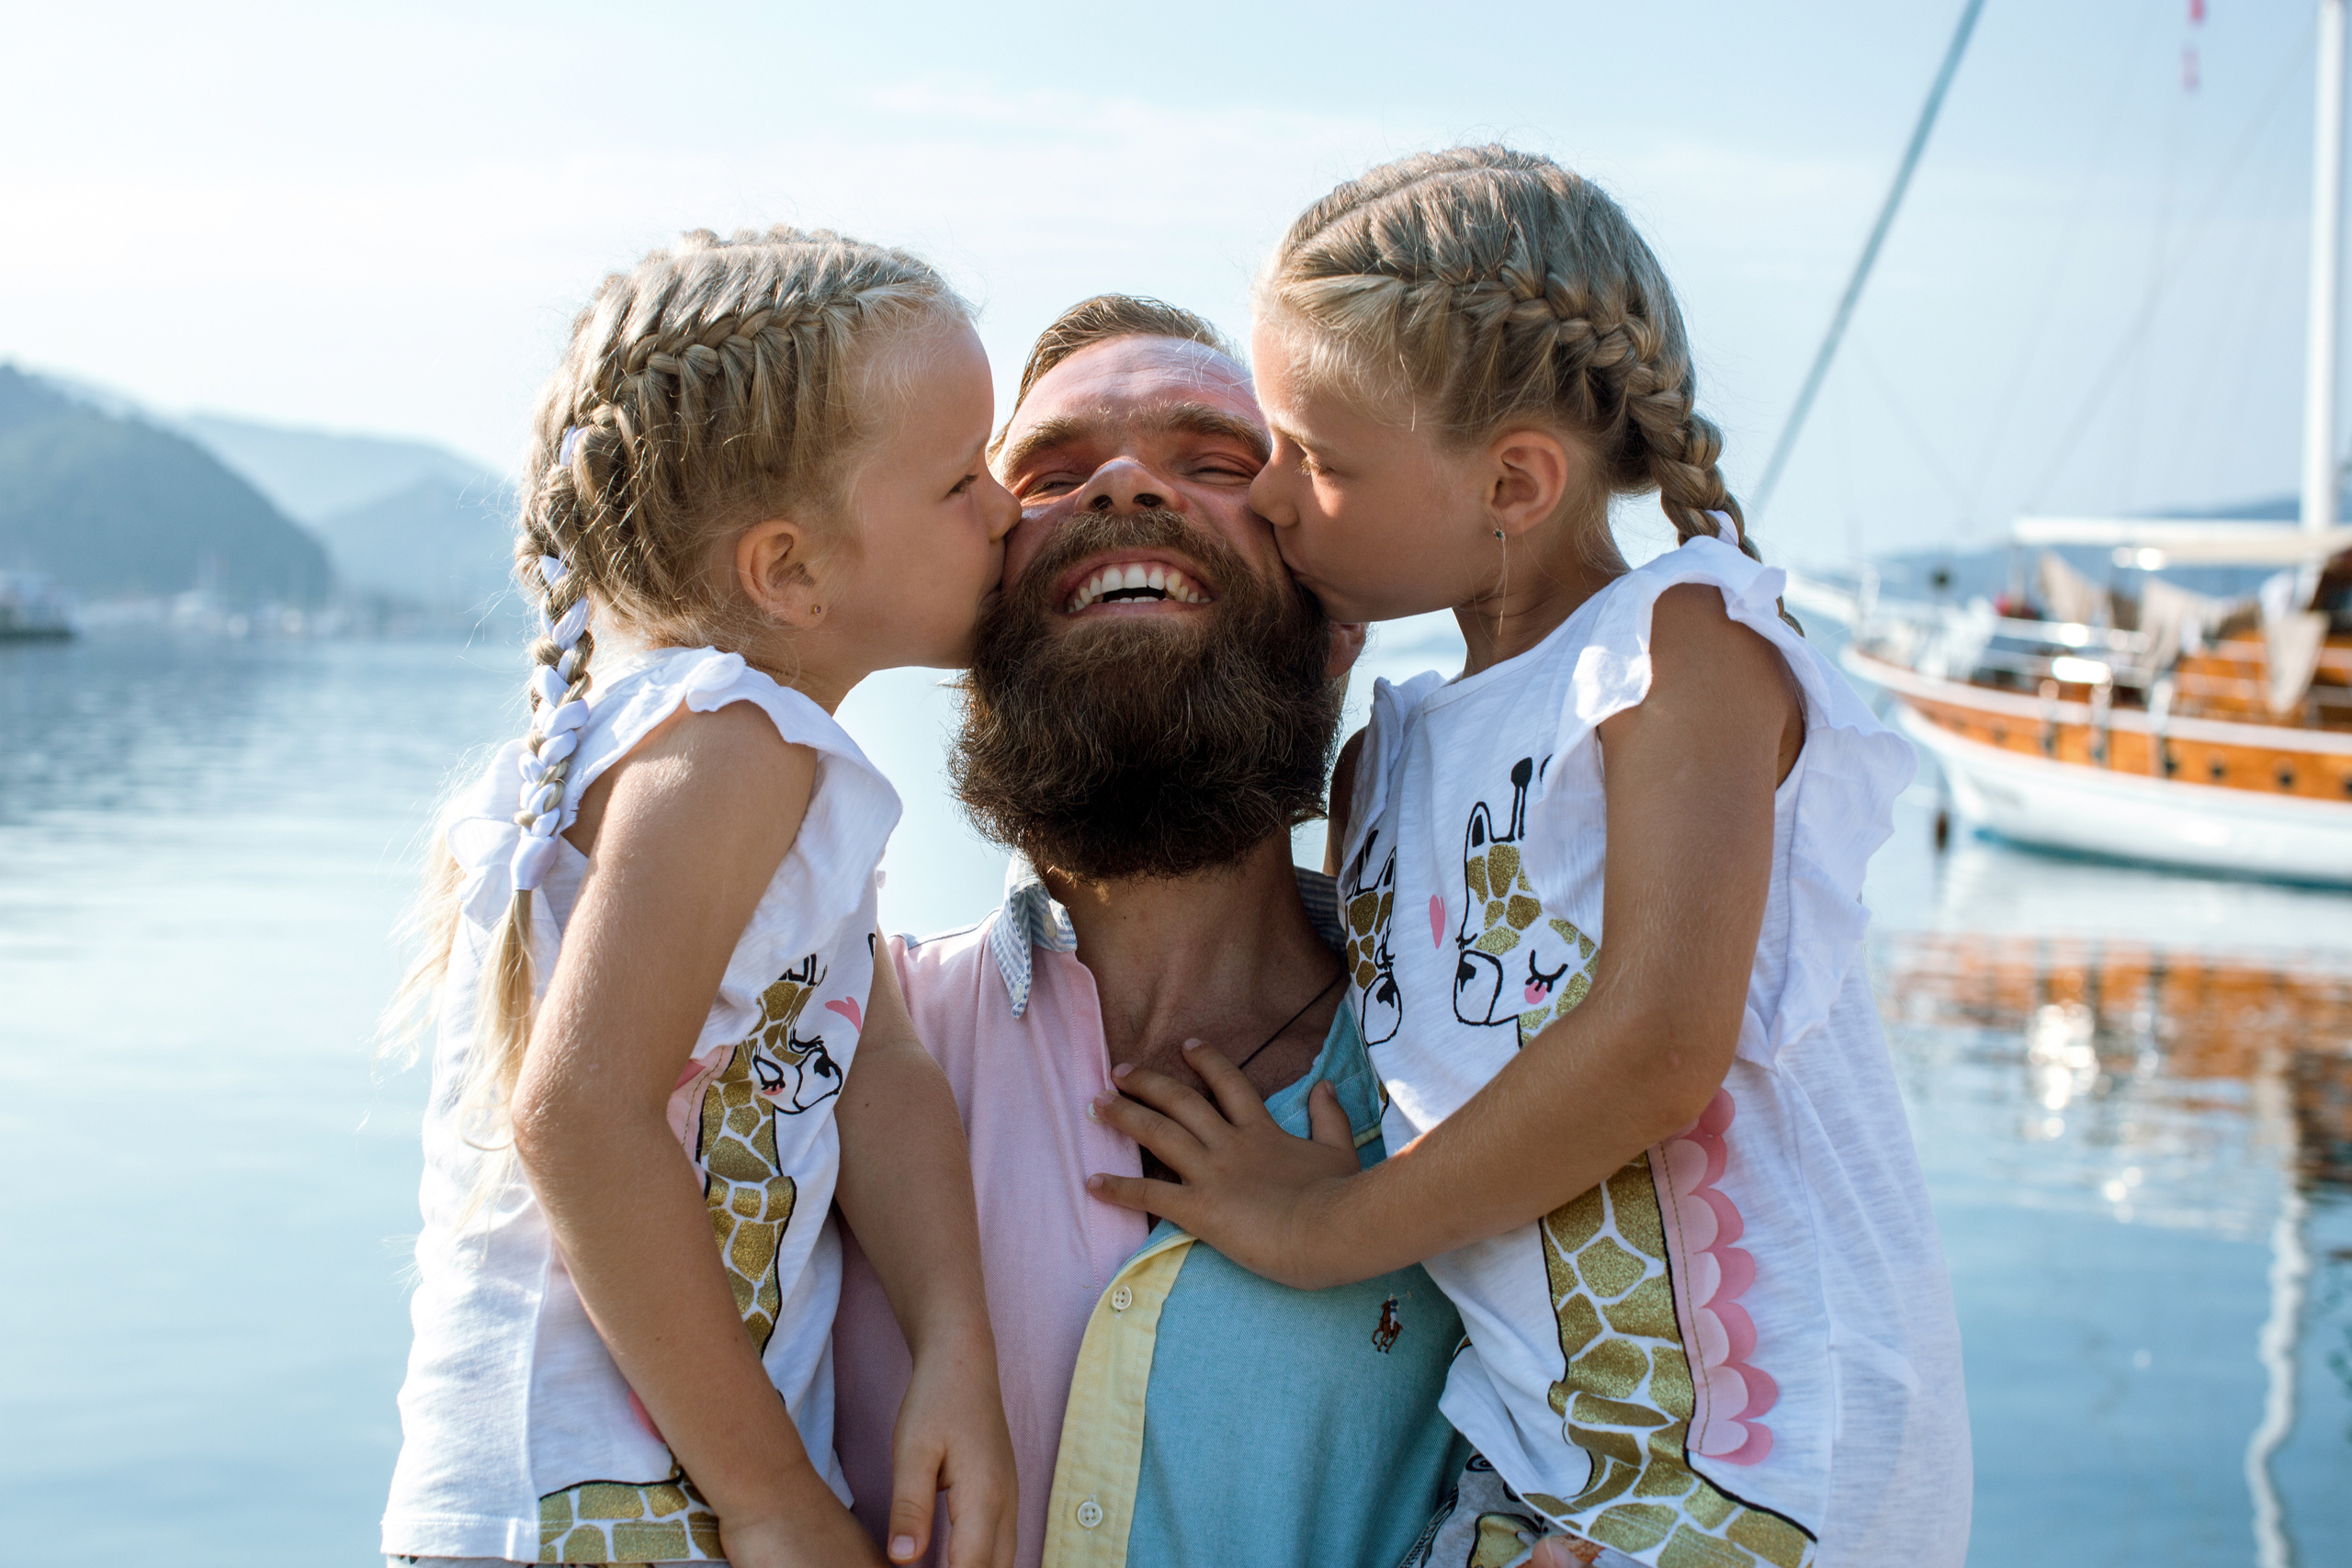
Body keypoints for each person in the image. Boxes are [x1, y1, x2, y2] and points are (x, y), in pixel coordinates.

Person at [1086, 149, 1972, 1567]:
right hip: (1547, 1462)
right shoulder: (1383, 765)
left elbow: (1656, 1048)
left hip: (1766, 1456)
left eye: (1318, 461)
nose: (1271, 499)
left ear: (1513, 481)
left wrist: (1326, 1229)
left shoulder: (1673, 652)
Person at [380, 228, 1019, 1568]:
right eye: (963, 479)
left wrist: (956, 1341)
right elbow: (578, 1115)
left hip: (625, 1485)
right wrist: (773, 1496)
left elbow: (876, 1063)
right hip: (597, 1498)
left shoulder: (733, 746)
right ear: (790, 571)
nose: (1009, 507)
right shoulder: (728, 745)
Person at [831, 296, 1470, 1568]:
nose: (1121, 485)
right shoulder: (826, 1041)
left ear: (1341, 613)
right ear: (974, 610)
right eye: (1048, 477)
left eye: (1219, 464)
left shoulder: (1497, 1071)